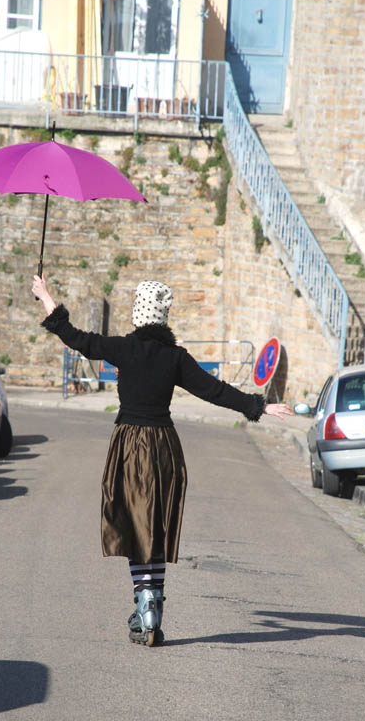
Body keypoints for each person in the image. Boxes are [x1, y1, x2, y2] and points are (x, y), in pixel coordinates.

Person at [32, 275, 293, 647]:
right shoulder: (176, 358)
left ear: (138, 313)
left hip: (130, 445)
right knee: (155, 526)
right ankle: (153, 604)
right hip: (165, 447)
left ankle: (145, 601)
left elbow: (73, 335)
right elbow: (214, 390)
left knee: (133, 526)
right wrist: (259, 406)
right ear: (164, 316)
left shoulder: (122, 349)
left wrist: (45, 295)